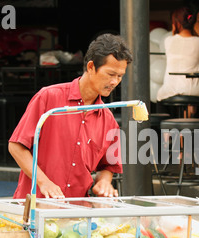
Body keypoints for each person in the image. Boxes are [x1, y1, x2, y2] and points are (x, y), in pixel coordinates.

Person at [8, 33, 133, 199]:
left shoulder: (109, 120)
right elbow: (16, 146)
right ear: (90, 67)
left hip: (76, 214)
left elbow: (108, 166)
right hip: (34, 206)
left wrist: (103, 182)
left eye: (120, 76)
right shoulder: (48, 97)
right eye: (111, 74)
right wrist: (43, 182)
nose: (115, 82)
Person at [157, 6, 199, 116]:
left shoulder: (168, 41)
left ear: (176, 24)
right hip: (195, 90)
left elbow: (178, 41)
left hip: (171, 89)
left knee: (159, 97)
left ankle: (165, 131)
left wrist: (175, 30)